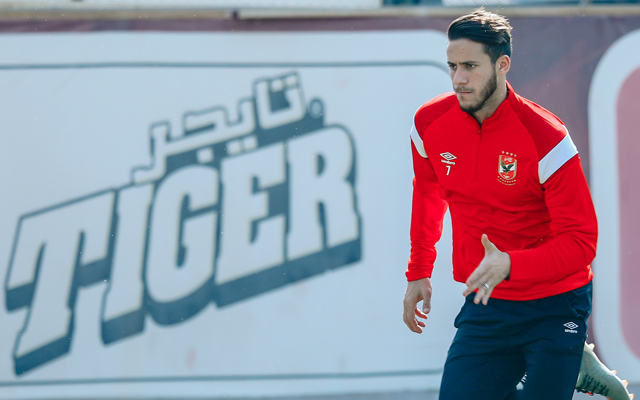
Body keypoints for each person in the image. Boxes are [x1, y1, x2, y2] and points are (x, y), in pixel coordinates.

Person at [402, 8, 633, 400]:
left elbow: (581, 242)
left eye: (470, 67)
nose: (458, 79)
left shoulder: (546, 137)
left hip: (556, 303)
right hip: (487, 299)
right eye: (453, 66)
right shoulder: (429, 123)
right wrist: (418, 271)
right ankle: (573, 365)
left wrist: (510, 263)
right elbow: (428, 192)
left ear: (502, 65)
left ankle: (571, 360)